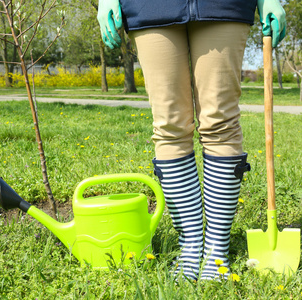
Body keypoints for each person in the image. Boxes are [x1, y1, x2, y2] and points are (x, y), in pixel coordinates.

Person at [97, 0, 286, 281]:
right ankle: (190, 244)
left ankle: (216, 248)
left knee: (220, 122)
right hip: (150, 6)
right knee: (169, 125)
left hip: (224, 6)